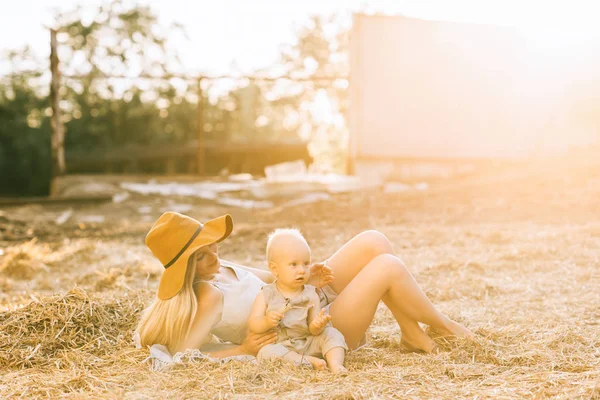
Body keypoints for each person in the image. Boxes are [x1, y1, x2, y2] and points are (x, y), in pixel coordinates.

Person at [136, 212, 472, 358]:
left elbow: (269, 278)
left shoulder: (223, 267)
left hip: (306, 297)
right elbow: (184, 356)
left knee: (374, 241)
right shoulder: (207, 295)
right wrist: (242, 350)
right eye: (200, 256)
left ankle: (411, 333)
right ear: (183, 270)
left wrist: (308, 273)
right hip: (310, 332)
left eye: (211, 244)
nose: (213, 254)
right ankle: (444, 326)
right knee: (387, 267)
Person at [248, 228, 347, 373]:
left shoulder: (310, 293)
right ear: (275, 269)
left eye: (306, 263)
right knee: (266, 352)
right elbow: (253, 323)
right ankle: (307, 361)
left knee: (332, 334)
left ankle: (336, 364)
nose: (301, 270)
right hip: (283, 346)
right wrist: (267, 322)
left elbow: (313, 329)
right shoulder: (266, 294)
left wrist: (317, 324)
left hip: (308, 342)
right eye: (294, 264)